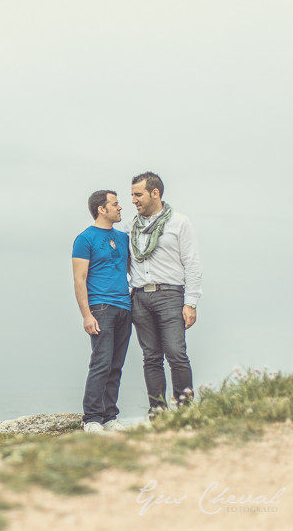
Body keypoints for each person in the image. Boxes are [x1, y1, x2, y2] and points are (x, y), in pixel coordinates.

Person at [126, 171, 202, 415]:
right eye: (132, 195)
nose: (133, 200)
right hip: (139, 297)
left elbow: (192, 263)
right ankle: (157, 412)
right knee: (151, 357)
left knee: (176, 354)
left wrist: (191, 303)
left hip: (170, 295)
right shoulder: (130, 228)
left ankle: (184, 411)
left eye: (138, 195)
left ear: (155, 193)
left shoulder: (179, 223)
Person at [72, 190, 132, 432]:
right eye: (115, 204)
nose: (120, 208)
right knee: (101, 362)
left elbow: (128, 269)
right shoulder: (84, 239)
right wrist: (87, 314)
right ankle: (92, 418)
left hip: (124, 306)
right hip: (100, 307)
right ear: (101, 209)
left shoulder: (123, 237)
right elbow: (79, 279)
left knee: (116, 364)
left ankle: (109, 417)